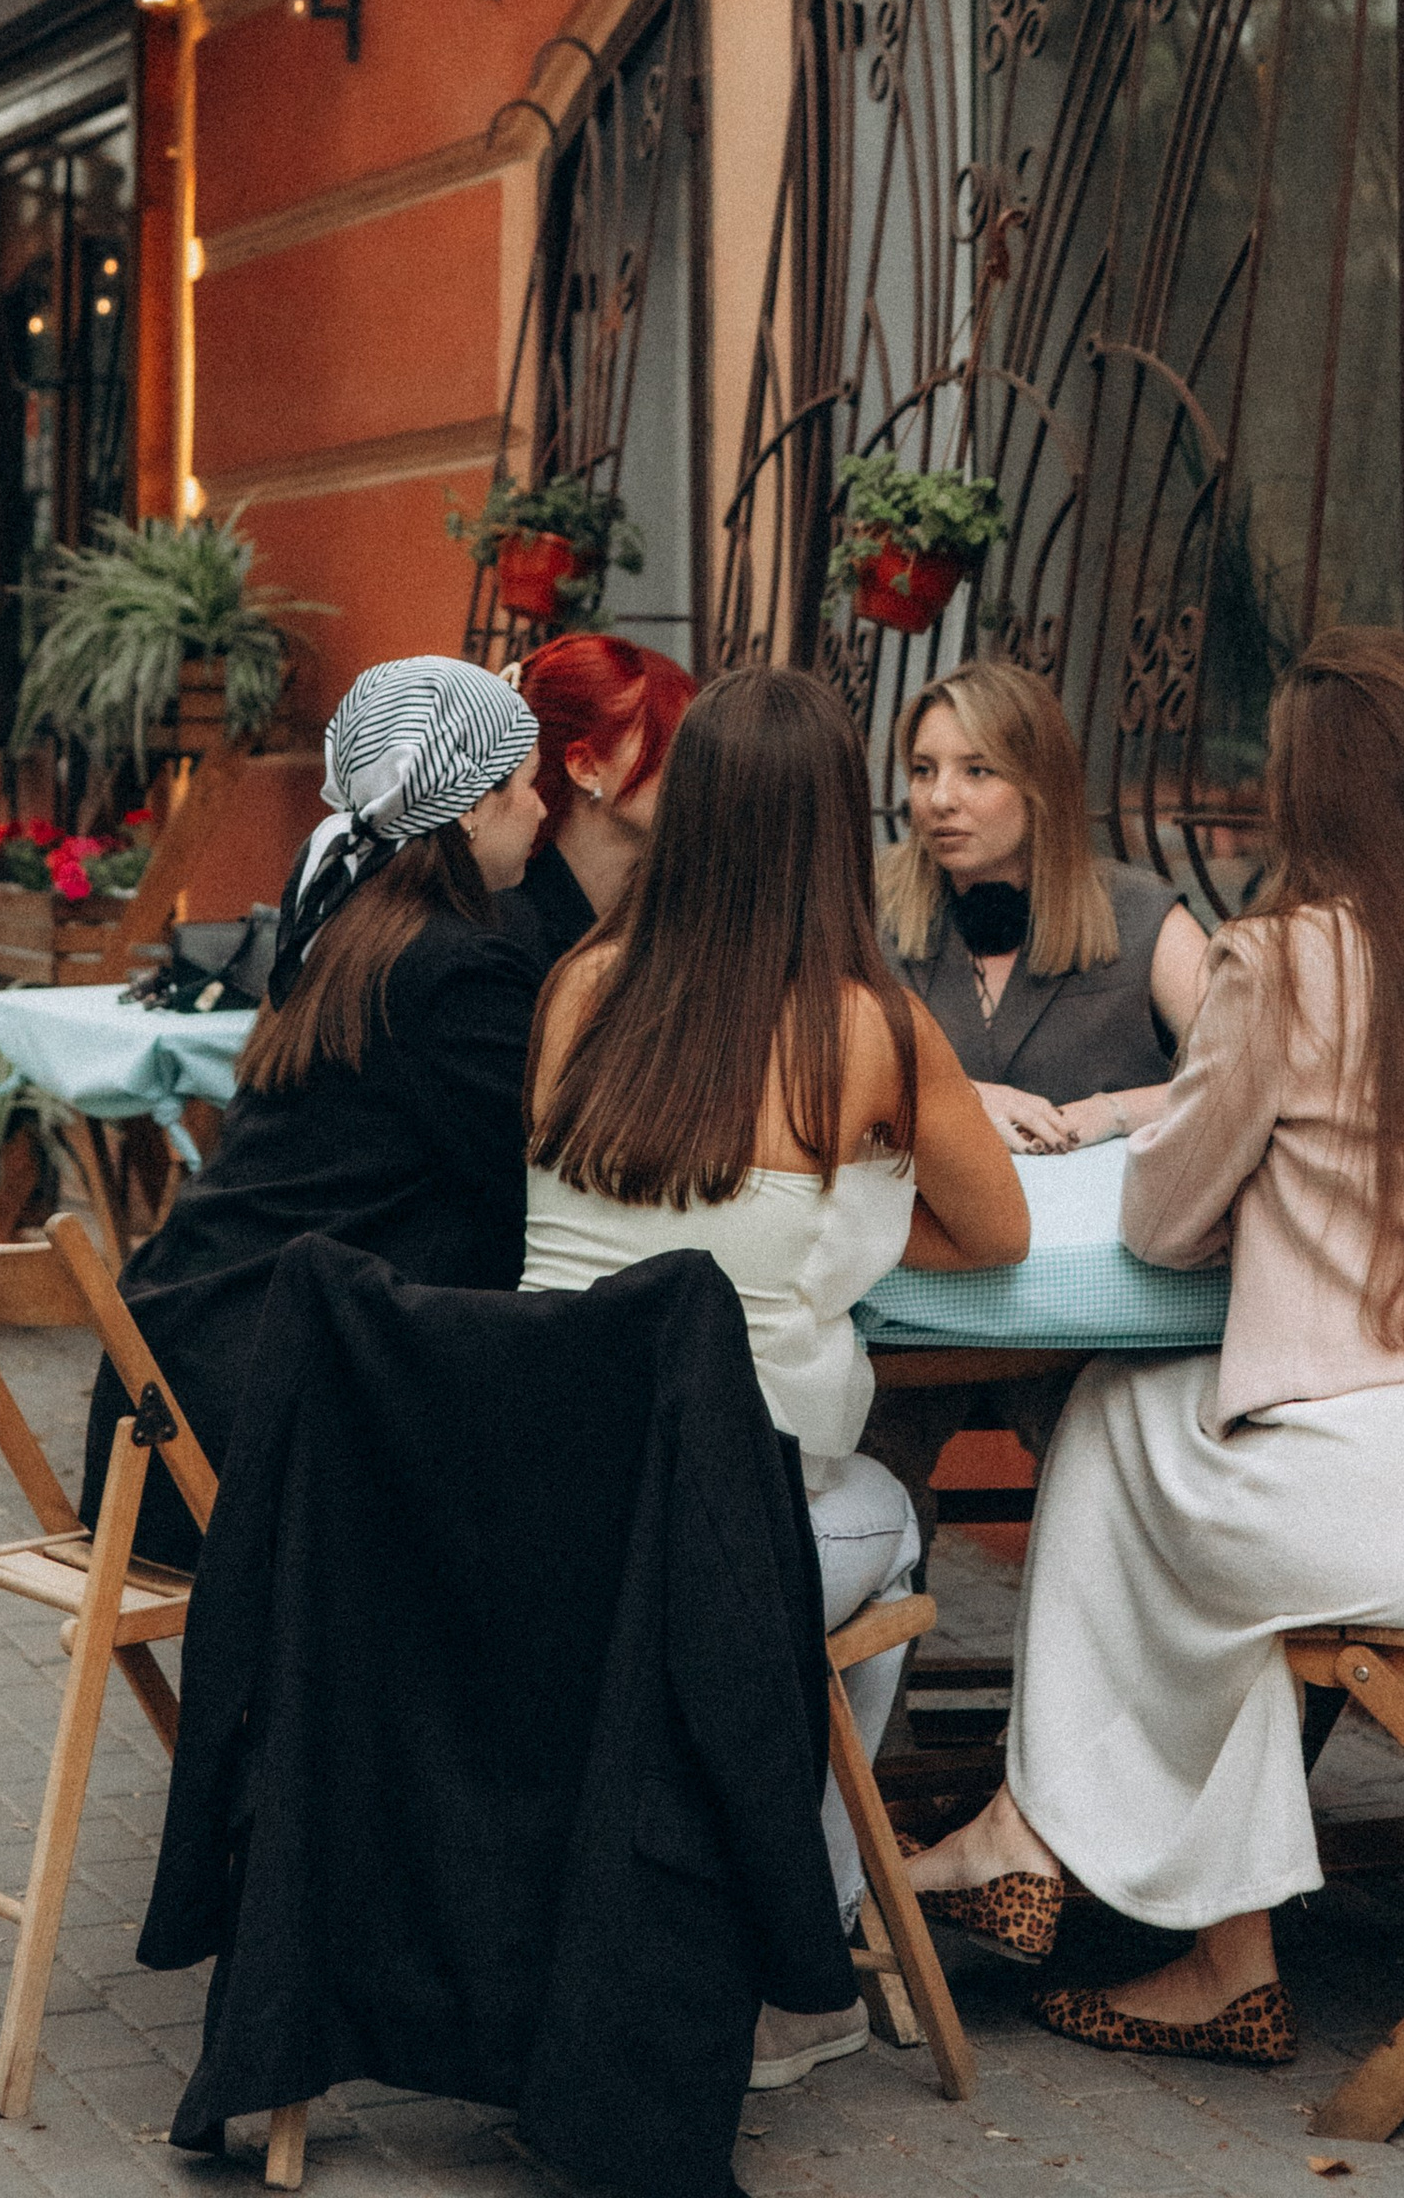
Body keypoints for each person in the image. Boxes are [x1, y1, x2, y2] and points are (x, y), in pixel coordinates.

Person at [901, 630, 1404, 2069]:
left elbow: (1169, 1225)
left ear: (1310, 797)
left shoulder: (1281, 961)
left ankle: (1031, 1831)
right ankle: (1218, 1964)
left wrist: (1201, 1158)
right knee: (1205, 1550)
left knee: (1119, 1416)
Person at [521, 665, 1029, 2089]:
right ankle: (801, 1938)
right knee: (888, 1517)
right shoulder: (864, 1025)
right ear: (831, 830)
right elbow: (997, 1236)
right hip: (718, 1543)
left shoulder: (576, 989)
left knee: (807, 1516)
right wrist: (860, 1202)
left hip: (545, 1508)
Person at [79, 655, 546, 1564]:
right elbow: (530, 1184)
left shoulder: (344, 928)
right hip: (265, 1455)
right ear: (471, 805)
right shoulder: (450, 970)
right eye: (526, 785)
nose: (540, 808)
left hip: (169, 1414)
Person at [886, 662, 1208, 1154]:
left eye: (977, 770)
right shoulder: (872, 915)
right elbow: (795, 1072)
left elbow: (1248, 1078)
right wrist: (955, 1098)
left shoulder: (1143, 918)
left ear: (1040, 787)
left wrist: (1114, 1111)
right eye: (924, 771)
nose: (940, 798)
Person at [493, 629, 698, 972]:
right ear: (585, 767)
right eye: (667, 747)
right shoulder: (511, 938)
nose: (696, 768)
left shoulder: (682, 908)